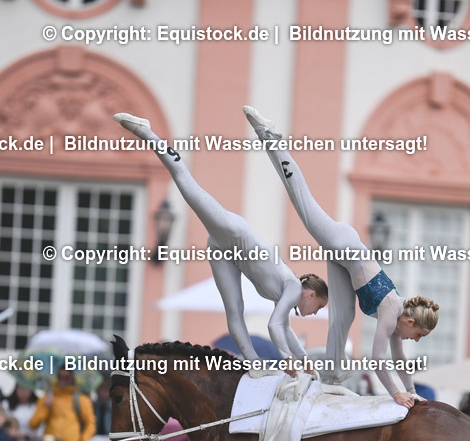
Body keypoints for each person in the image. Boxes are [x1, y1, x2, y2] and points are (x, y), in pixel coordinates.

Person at [244, 106, 439, 406]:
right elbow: (377, 359)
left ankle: (333, 378)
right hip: (344, 245)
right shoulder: (390, 311)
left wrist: (411, 390)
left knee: (343, 317)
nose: (416, 340)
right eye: (420, 335)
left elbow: (400, 362)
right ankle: (269, 136)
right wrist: (396, 394)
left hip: (345, 262)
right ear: (410, 321)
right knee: (303, 202)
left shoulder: (399, 322)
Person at [113, 112, 328, 371]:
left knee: (234, 313)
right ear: (311, 294)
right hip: (233, 233)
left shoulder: (287, 293)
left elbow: (285, 329)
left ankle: (255, 367)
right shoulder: (292, 286)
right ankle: (147, 132)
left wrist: (305, 361)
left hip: (222, 249)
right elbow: (274, 326)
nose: (314, 314)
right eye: (317, 308)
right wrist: (289, 360)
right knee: (186, 183)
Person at [29, 368, 96, 441]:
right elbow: (33, 424)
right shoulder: (46, 398)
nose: (63, 380)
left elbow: (90, 424)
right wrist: (45, 407)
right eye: (60, 376)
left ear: (72, 378)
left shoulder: (81, 399)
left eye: (67, 377)